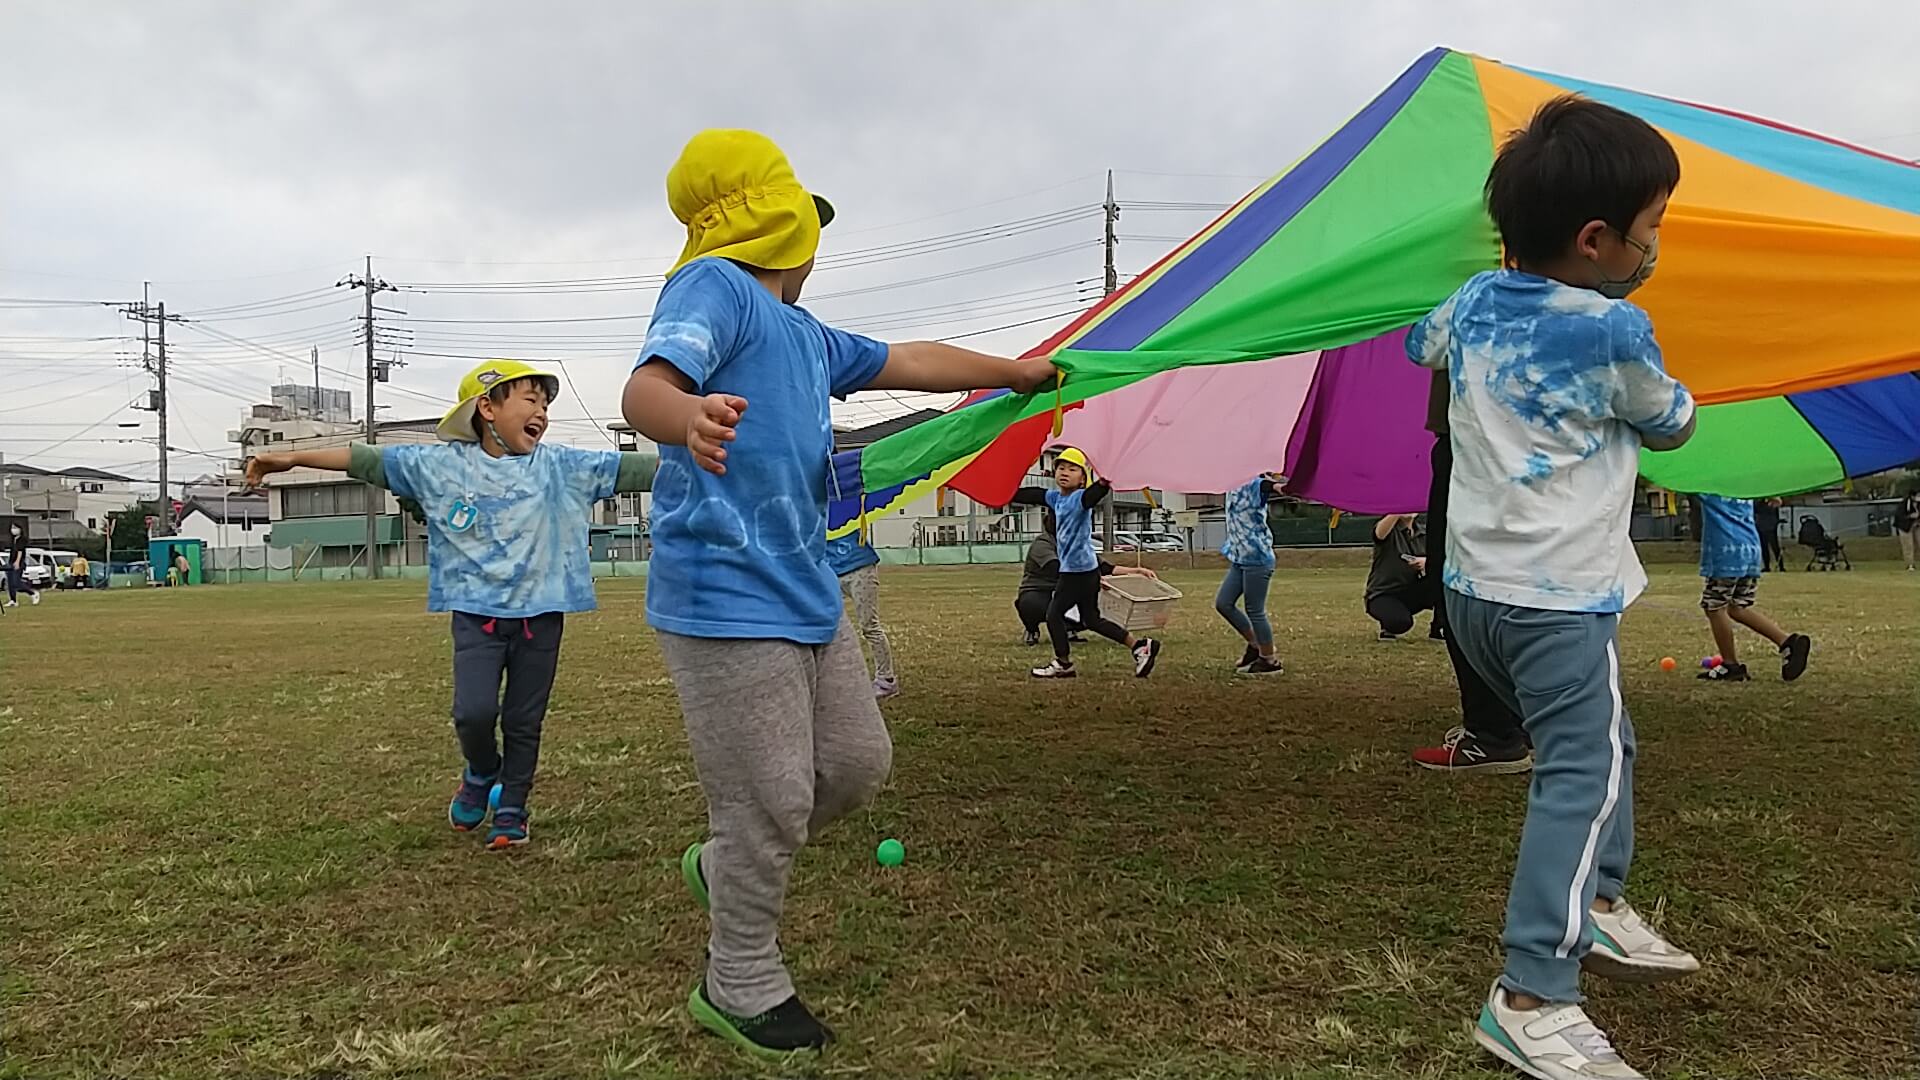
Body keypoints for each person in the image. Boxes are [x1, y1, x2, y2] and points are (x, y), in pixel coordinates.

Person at [618, 128, 1055, 1060]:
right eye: (808, 222)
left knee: (856, 766)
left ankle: (725, 861)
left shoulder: (810, 337)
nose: (816, 246)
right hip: (723, 593)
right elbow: (645, 386)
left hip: (808, 583)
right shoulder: (716, 289)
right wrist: (686, 416)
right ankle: (737, 979)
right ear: (776, 223)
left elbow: (914, 359)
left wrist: (1013, 374)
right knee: (769, 797)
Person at [1411, 97, 1704, 1079]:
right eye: (1651, 229)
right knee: (1578, 775)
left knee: (1603, 744)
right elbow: (1670, 425)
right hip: (1553, 602)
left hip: (1472, 597)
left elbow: (1422, 344)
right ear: (1596, 240)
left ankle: (1602, 902)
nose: (1654, 246)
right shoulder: (1617, 330)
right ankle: (1532, 992)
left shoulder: (1472, 304)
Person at [247, 359, 658, 852]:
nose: (542, 413)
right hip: (476, 614)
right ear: (486, 408)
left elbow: (644, 470)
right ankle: (483, 771)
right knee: (473, 712)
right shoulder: (441, 467)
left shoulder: (564, 467)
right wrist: (292, 460)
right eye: (530, 400)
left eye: (545, 405)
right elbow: (366, 461)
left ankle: (513, 810)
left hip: (541, 617)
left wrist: (714, 452)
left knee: (525, 720)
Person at [1408, 371, 1532, 774]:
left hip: (1474, 441)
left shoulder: (1470, 311)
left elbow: (1425, 342)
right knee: (1502, 583)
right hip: (1505, 438)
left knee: (1460, 584)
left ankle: (1494, 735)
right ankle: (1519, 721)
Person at [1009, 448, 1162, 680]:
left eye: (1072, 469)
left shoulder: (1080, 499)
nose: (1064, 472)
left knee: (1053, 615)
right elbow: (1031, 494)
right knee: (1092, 619)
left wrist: (1103, 482)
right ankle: (1139, 646)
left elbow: (1093, 496)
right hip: (1086, 570)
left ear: (1082, 478)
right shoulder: (1055, 498)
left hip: (1076, 572)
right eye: (1061, 467)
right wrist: (1001, 493)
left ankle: (1063, 663)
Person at [1696, 494, 1811, 683]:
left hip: (1726, 552)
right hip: (1750, 549)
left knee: (1714, 607)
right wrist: (1772, 494)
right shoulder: (1744, 488)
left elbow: (1679, 478)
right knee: (1737, 608)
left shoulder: (1709, 487)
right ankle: (1787, 642)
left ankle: (1730, 665)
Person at [1014, 506, 1157, 644]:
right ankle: (1032, 630)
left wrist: (1136, 571)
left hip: (1067, 590)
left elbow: (1104, 567)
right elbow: (1055, 567)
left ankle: (1070, 630)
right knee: (1034, 605)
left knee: (1090, 608)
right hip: (1040, 591)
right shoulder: (1043, 543)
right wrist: (1090, 579)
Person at [1216, 473, 1283, 674]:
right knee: (1224, 604)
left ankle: (1270, 661)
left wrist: (1284, 486)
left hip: (1257, 559)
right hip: (1239, 558)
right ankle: (1256, 645)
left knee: (1255, 610)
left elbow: (1272, 487)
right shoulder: (1231, 483)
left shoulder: (1256, 484)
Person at [825, 531, 897, 699]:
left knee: (869, 626)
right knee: (830, 627)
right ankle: (833, 678)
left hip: (860, 569)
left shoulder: (847, 508)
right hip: (833, 572)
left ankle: (886, 679)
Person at [1364, 514, 1435, 641]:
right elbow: (1379, 534)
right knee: (1400, 622)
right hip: (1383, 593)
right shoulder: (1389, 530)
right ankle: (1389, 625)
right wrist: (1397, 508)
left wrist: (1427, 562)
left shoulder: (1424, 533)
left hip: (1410, 591)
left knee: (1440, 579)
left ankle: (1439, 628)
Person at [6, 523, 41, 607]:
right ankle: (13, 600)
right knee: (10, 583)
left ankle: (33, 593)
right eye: (12, 527)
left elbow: (20, 551)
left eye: (15, 527)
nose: (13, 529)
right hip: (11, 562)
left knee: (16, 582)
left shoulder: (22, 539)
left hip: (18, 563)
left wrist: (17, 562)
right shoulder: (13, 539)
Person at [1753, 497, 1786, 572]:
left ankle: (1781, 566)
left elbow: (1778, 505)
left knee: (1775, 547)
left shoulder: (1774, 500)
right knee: (1764, 548)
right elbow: (1756, 509)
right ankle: (1767, 566)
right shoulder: (1758, 502)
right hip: (1762, 525)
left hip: (1770, 526)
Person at [1896, 490, 1919, 571]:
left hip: (1916, 526)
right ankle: (1910, 564)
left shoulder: (1918, 503)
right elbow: (1900, 516)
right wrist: (1910, 516)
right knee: (1908, 546)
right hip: (1905, 527)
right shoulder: (1904, 504)